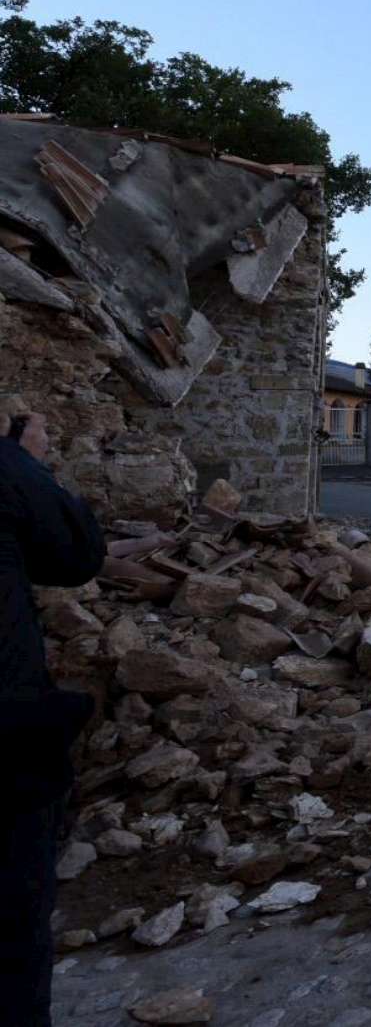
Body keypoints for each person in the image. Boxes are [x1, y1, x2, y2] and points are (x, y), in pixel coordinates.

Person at [1, 413, 105, 1026]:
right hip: (4, 747)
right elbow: (75, 552)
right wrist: (23, 460)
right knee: (9, 929)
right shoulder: (6, 472)